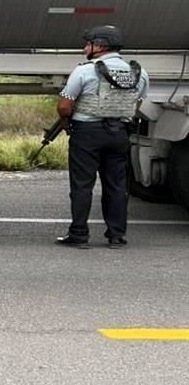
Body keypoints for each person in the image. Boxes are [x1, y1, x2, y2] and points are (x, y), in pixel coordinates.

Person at [55, 25, 149, 250]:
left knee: (82, 185)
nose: (84, 47)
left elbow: (65, 106)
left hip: (87, 133)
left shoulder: (84, 70)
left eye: (88, 44)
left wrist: (69, 122)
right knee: (116, 185)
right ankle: (116, 235)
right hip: (120, 134)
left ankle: (79, 234)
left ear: (99, 46)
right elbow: (137, 103)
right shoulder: (139, 72)